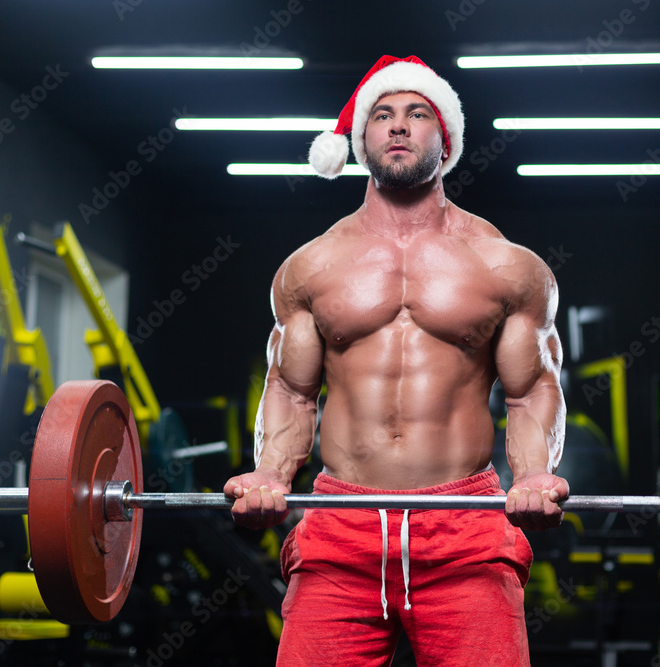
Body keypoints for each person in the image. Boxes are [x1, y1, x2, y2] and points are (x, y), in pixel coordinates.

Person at [224, 55, 568, 667]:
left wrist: (535, 475)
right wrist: (271, 476)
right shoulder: (311, 267)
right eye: (382, 115)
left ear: (447, 138)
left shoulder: (506, 266)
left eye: (417, 114)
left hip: (465, 531)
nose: (399, 126)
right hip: (340, 531)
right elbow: (291, 391)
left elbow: (532, 389)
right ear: (361, 139)